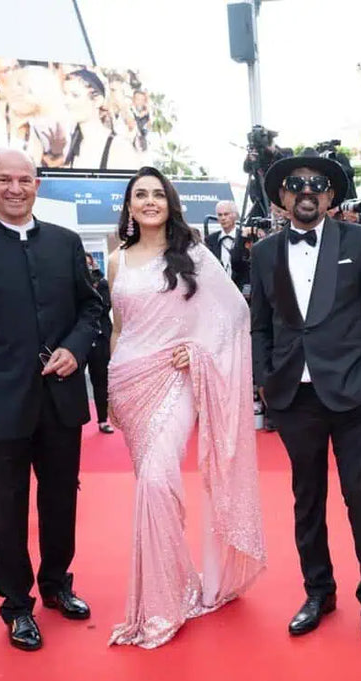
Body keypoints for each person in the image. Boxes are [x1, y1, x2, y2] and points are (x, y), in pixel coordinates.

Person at [0, 149, 103, 652]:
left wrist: (75, 349)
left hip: (60, 401)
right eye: (4, 179)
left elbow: (93, 308)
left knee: (60, 501)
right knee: (5, 510)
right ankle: (16, 605)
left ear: (38, 184)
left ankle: (57, 583)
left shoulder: (66, 243)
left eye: (25, 180)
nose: (15, 188)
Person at [106, 168, 266, 649]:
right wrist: (111, 391)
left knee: (158, 482)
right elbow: (118, 327)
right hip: (128, 381)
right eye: (141, 195)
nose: (150, 201)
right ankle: (170, 583)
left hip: (174, 380)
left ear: (170, 203)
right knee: (154, 487)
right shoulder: (116, 261)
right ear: (130, 206)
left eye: (158, 194)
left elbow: (235, 312)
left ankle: (163, 600)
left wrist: (195, 349)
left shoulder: (192, 255)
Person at [249, 153, 361, 645]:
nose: (307, 191)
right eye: (296, 185)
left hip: (353, 392)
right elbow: (260, 325)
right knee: (306, 500)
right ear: (281, 197)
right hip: (294, 396)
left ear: (332, 196)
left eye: (318, 184)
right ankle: (318, 591)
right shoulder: (266, 251)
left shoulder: (358, 241)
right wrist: (266, 381)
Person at [84, 253, 114, 434]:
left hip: (101, 336)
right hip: (78, 339)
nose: (86, 268)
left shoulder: (101, 283)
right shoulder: (70, 283)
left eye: (89, 265)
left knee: (101, 380)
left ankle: (103, 419)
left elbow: (105, 307)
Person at [205, 200, 251, 293]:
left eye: (226, 214)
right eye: (220, 215)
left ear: (235, 215)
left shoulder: (245, 237)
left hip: (241, 289)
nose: (223, 218)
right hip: (219, 290)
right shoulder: (211, 239)